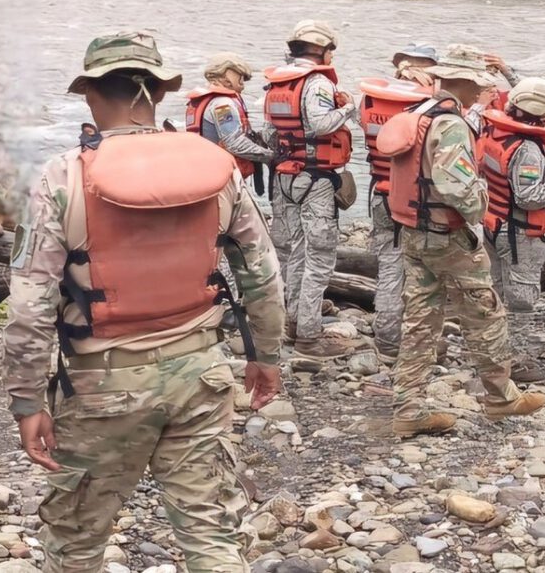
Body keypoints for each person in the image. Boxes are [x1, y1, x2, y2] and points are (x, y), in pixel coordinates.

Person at [3, 32, 283, 573]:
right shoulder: (217, 167)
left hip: (101, 385)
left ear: (88, 94)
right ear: (159, 92)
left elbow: (29, 305)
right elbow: (262, 275)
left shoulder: (63, 175)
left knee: (76, 540)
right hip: (201, 375)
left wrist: (26, 400)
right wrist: (267, 356)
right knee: (210, 531)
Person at [377, 45, 545, 438]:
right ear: (469, 82)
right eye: (479, 85)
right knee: (484, 313)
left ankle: (408, 407)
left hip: (413, 232)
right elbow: (455, 184)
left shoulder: (417, 112)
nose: (481, 92)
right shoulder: (451, 123)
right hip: (448, 236)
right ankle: (501, 396)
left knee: (420, 321)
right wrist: (479, 212)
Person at [264, 20, 356, 367]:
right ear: (321, 49)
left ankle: (292, 321)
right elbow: (320, 124)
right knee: (318, 256)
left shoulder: (278, 82)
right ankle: (309, 336)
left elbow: (269, 132)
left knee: (293, 253)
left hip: (285, 177)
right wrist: (348, 108)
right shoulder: (316, 82)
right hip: (315, 179)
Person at [480, 78, 545, 382]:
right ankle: (516, 362)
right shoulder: (528, 149)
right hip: (517, 234)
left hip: (494, 226)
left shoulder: (496, 133)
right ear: (541, 113)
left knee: (499, 292)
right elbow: (528, 198)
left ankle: (493, 354)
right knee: (521, 300)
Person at [360, 43, 439, 362]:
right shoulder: (429, 106)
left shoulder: (370, 100)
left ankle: (387, 337)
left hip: (379, 192)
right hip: (413, 201)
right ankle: (402, 339)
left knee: (389, 265)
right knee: (420, 272)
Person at [185, 53, 274, 191]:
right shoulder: (222, 104)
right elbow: (234, 143)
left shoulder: (204, 101)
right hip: (223, 181)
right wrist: (270, 157)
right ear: (225, 75)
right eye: (239, 73)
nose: (242, 78)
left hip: (207, 176)